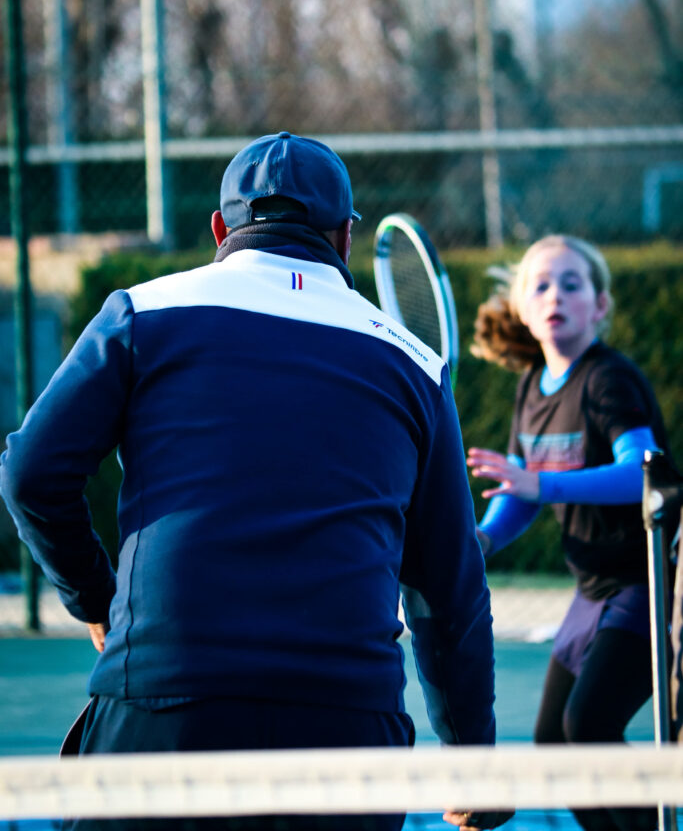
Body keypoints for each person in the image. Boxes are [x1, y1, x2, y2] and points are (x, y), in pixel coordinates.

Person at [1, 132, 508, 831]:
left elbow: (30, 473)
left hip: (163, 703)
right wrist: (470, 761)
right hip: (348, 725)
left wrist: (95, 599)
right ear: (345, 236)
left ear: (219, 229)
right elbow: (449, 590)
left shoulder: (139, 313)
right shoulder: (416, 366)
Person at [467, 233, 677, 831]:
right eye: (540, 285)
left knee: (589, 726)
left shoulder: (609, 379)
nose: (555, 293)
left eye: (572, 283)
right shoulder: (531, 388)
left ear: (600, 307)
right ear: (523, 312)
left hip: (646, 585)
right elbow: (520, 493)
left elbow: (643, 471)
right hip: (591, 593)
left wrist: (544, 485)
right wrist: (482, 542)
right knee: (555, 748)